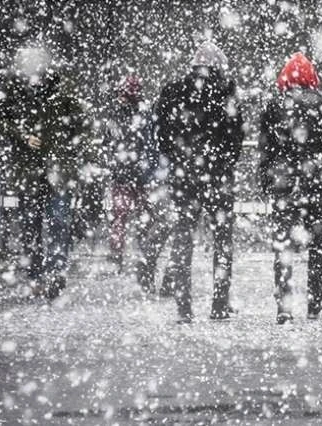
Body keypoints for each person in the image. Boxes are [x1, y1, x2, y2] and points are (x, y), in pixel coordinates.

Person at [150, 41, 244, 322]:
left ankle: (183, 307)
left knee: (183, 238)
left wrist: (180, 160)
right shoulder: (227, 94)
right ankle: (219, 302)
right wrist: (222, 162)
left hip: (184, 177)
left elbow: (162, 135)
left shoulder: (173, 91)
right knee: (222, 240)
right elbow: (235, 137)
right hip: (217, 177)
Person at [0, 47, 90, 300]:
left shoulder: (62, 91)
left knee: (57, 222)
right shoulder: (13, 91)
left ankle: (54, 272)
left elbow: (83, 124)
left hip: (56, 170)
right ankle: (37, 274)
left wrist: (69, 149)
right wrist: (22, 135)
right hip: (30, 171)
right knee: (31, 225)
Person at [258, 52, 322, 324]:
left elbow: (266, 149)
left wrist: (267, 179)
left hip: (285, 186)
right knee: (317, 248)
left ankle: (284, 305)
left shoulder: (274, 106)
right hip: (316, 185)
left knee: (283, 246)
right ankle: (314, 304)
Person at [104, 75, 148, 270]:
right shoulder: (143, 112)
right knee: (143, 215)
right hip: (139, 173)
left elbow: (108, 141)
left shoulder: (115, 113)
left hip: (122, 172)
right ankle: (145, 252)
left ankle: (117, 254)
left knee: (119, 217)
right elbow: (146, 141)